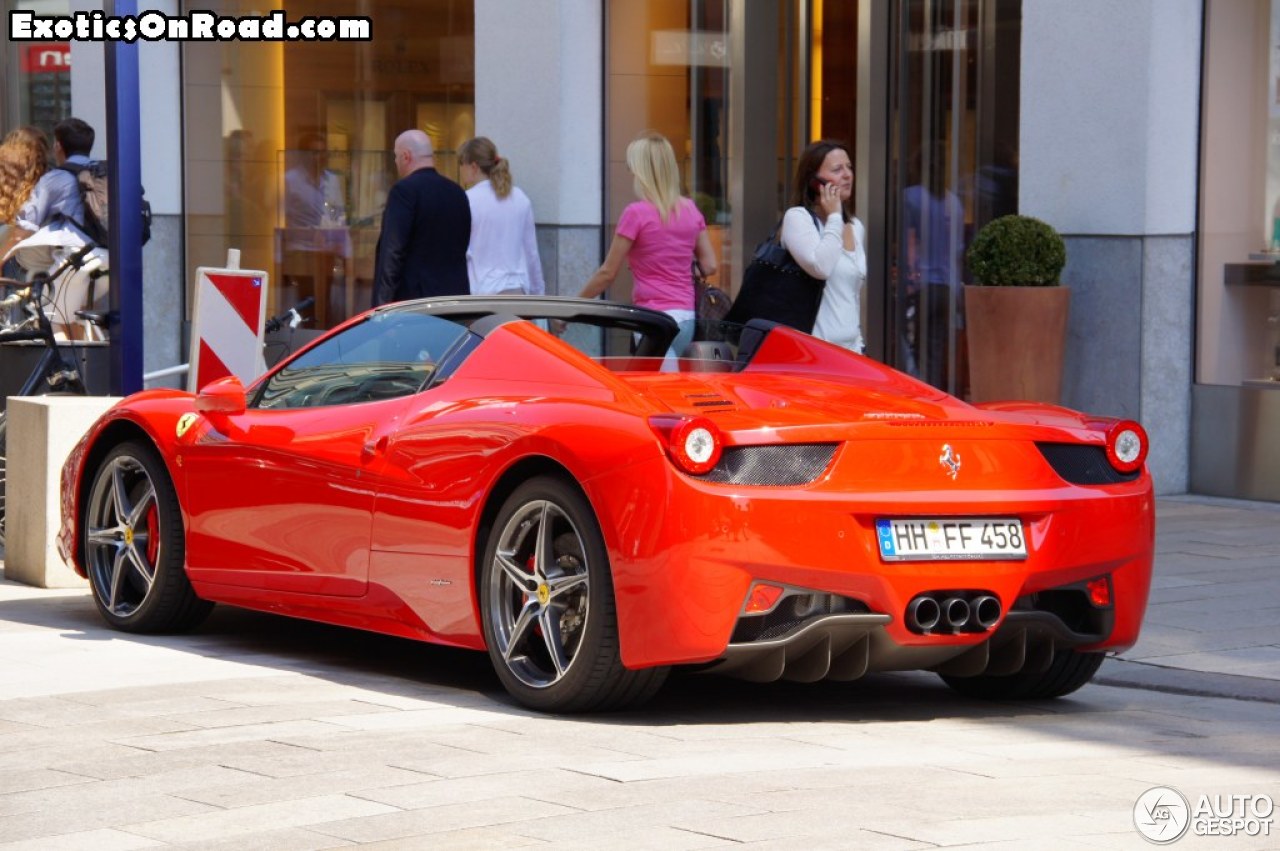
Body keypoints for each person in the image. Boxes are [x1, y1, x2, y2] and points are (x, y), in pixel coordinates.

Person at [577, 131, 717, 366]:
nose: (630, 172)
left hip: (653, 320)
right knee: (663, 386)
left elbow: (607, 273)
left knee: (658, 393)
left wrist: (575, 306)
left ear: (641, 172)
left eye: (632, 167)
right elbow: (710, 265)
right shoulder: (690, 209)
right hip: (686, 318)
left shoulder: (636, 213)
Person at [780, 139, 866, 354]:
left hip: (852, 350)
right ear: (815, 182)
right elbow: (821, 267)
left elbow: (851, 296)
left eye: (849, 167)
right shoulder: (798, 218)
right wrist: (834, 216)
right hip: (813, 350)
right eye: (837, 169)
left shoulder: (855, 227)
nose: (847, 175)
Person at [372, 129, 471, 307]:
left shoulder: (404, 192)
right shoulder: (457, 192)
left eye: (396, 156)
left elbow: (392, 252)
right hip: (455, 299)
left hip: (417, 303)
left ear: (406, 156)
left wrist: (381, 306)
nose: (395, 162)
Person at [903, 143, 966, 388]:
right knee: (936, 348)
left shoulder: (911, 197)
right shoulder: (955, 203)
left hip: (921, 284)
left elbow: (909, 242)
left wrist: (909, 280)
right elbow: (958, 251)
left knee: (915, 346)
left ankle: (919, 396)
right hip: (947, 286)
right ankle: (934, 394)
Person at [458, 136, 545, 296]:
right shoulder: (520, 198)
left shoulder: (467, 200)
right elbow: (531, 253)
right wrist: (538, 295)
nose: (460, 169)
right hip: (517, 291)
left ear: (474, 166)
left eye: (461, 164)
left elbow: (460, 252)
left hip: (481, 294)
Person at [0, 125, 83, 270]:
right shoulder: (56, 177)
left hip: (32, 265)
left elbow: (20, 234)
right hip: (58, 260)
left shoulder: (43, 184)